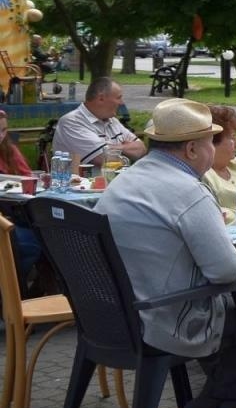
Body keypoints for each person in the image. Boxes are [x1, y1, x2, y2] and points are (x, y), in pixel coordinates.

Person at [97, 98, 236, 408]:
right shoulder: (187, 191)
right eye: (210, 142)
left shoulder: (125, 179)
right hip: (160, 318)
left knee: (231, 308)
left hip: (110, 315)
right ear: (192, 150)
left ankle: (233, 402)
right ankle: (205, 407)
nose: (214, 150)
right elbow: (228, 270)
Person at [53, 77, 148, 168]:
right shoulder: (72, 122)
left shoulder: (112, 120)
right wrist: (126, 149)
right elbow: (103, 159)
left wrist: (115, 148)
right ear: (101, 98)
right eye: (118, 98)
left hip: (113, 182)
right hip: (81, 183)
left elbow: (141, 149)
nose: (121, 103)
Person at [0, 107, 43, 287]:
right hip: (6, 221)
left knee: (51, 236)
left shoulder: (8, 150)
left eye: (3, 130)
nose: (0, 135)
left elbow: (28, 180)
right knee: (31, 242)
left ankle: (40, 290)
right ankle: (13, 294)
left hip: (16, 213)